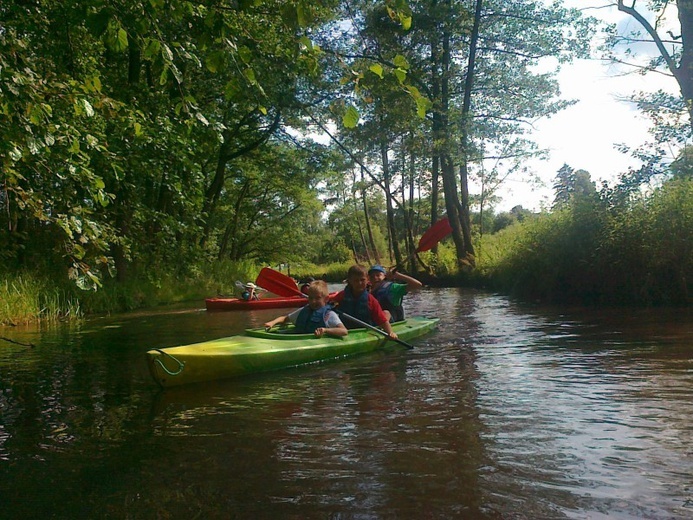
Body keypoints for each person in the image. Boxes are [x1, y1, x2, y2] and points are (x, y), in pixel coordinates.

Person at [330, 264, 399, 340]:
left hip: (366, 329)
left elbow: (381, 320)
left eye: (362, 280)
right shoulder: (342, 295)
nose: (359, 283)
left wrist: (390, 333)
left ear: (367, 280)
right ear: (349, 281)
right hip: (347, 329)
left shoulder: (370, 300)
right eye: (356, 280)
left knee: (386, 313)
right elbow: (326, 305)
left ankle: (389, 320)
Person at [264, 280, 347, 338]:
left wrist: (325, 330)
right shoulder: (304, 310)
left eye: (317, 298)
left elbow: (344, 331)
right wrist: (272, 322)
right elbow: (285, 318)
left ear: (326, 299)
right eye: (311, 298)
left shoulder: (329, 315)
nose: (313, 301)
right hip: (299, 338)